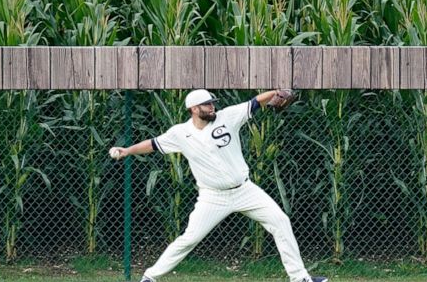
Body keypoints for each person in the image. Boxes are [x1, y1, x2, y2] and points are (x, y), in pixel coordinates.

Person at [109, 88, 327, 282]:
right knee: (189, 239)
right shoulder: (180, 133)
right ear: (194, 108)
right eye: (207, 104)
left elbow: (255, 102)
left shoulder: (227, 117)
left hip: (245, 190)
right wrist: (127, 150)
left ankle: (300, 278)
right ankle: (150, 277)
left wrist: (276, 92)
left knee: (280, 221)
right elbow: (154, 144)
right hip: (212, 197)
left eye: (213, 102)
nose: (212, 106)